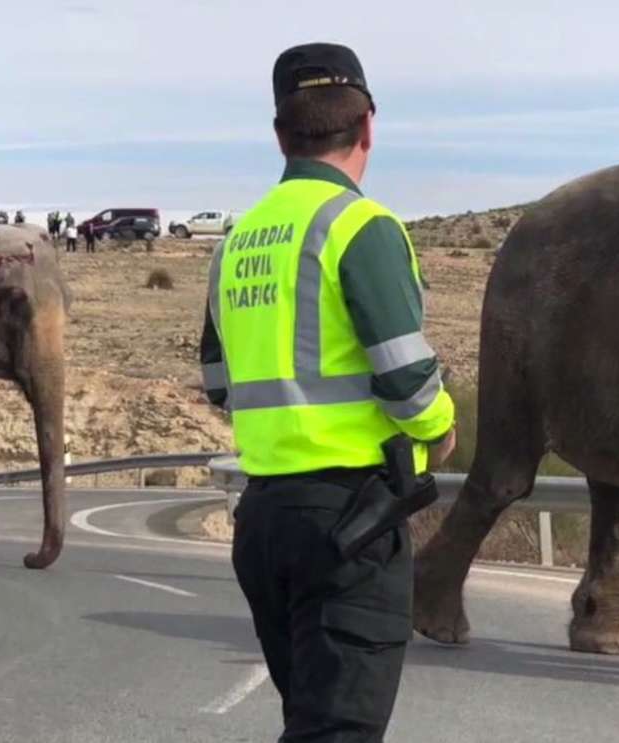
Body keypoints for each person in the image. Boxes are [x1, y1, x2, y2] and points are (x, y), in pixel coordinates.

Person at [199, 43, 456, 741]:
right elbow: (405, 378)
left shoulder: (235, 243)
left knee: (311, 722)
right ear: (368, 124)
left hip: (263, 521)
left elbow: (219, 385)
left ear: (280, 133)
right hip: (352, 521)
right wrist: (440, 425)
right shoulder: (360, 227)